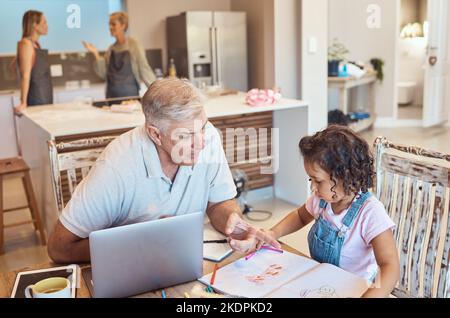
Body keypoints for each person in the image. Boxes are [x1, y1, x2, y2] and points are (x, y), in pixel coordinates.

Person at [47, 77, 278, 263]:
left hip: (185, 262)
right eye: (186, 135)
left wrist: (232, 221)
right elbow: (59, 248)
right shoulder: (117, 165)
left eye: (203, 127)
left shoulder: (209, 138)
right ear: (155, 134)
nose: (201, 142)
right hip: (131, 267)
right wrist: (137, 242)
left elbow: (218, 202)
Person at [256, 125, 400, 297]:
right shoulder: (323, 200)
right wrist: (273, 233)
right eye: (311, 179)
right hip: (320, 283)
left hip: (357, 290)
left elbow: (390, 266)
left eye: (318, 181)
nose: (312, 188)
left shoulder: (370, 212)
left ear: (346, 176)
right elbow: (300, 216)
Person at [82, 11, 155, 98]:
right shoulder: (111, 49)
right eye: (109, 24)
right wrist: (95, 53)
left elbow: (144, 69)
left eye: (113, 24)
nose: (110, 27)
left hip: (130, 96)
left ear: (123, 25)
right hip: (111, 96)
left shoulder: (133, 45)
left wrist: (156, 91)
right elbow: (104, 74)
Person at [14, 10, 53, 115]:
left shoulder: (36, 45)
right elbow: (25, 76)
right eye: (44, 22)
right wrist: (23, 102)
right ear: (35, 25)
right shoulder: (25, 44)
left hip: (45, 98)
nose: (47, 25)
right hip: (36, 100)